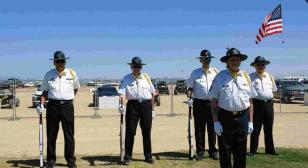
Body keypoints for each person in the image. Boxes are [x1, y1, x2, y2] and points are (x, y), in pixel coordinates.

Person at [208, 48, 257, 168]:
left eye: (237, 60)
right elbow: (214, 101)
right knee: (225, 151)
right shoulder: (219, 77)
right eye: (232, 60)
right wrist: (215, 122)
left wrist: (250, 121)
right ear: (227, 62)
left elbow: (250, 101)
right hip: (225, 118)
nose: (235, 62)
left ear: (240, 61)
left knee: (241, 152)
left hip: (242, 117)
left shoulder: (246, 76)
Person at [36, 51, 80, 168]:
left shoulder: (72, 73)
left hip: (67, 107)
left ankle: (70, 160)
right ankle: (51, 160)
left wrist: (66, 98)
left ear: (65, 61)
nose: (60, 63)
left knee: (69, 134)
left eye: (62, 61)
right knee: (51, 134)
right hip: (52, 106)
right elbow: (45, 91)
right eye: (57, 61)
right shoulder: (48, 74)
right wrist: (41, 104)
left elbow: (75, 89)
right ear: (54, 62)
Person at [118, 57, 156, 165]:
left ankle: (148, 156)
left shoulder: (146, 77)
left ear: (141, 67)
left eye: (139, 66)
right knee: (130, 132)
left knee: (146, 132)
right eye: (135, 66)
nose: (137, 68)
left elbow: (152, 93)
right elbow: (121, 93)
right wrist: (121, 104)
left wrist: (153, 109)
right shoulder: (126, 78)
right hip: (132, 106)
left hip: (146, 106)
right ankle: (127, 156)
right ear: (131, 67)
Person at [186, 49, 219, 160]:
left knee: (212, 128)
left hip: (212, 103)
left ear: (210, 60)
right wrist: (189, 97)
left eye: (208, 59)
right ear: (200, 60)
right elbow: (190, 87)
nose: (206, 60)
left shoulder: (216, 72)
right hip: (199, 103)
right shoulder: (195, 73)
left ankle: (213, 151)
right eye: (204, 59)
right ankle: (200, 151)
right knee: (199, 128)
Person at [248, 56, 278, 156]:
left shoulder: (270, 76)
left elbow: (273, 90)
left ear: (265, 65)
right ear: (255, 66)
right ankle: (253, 150)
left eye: (262, 64)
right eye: (258, 64)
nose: (261, 66)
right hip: (257, 104)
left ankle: (270, 150)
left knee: (269, 128)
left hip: (269, 104)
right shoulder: (250, 77)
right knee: (255, 128)